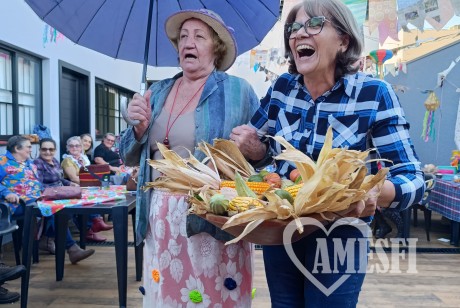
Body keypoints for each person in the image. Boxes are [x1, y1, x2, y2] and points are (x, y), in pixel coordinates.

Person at [230, 0, 425, 306]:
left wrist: (376, 192)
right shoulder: (282, 88)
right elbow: (261, 153)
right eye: (293, 28)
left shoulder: (374, 94)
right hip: (280, 229)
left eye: (314, 25)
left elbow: (413, 178)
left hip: (339, 235)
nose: (298, 34)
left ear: (343, 40)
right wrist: (253, 148)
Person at [120, 9, 259, 306]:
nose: (188, 43)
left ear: (216, 47)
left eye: (198, 36)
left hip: (214, 217)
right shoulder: (156, 92)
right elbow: (128, 155)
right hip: (160, 216)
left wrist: (255, 149)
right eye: (183, 37)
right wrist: (137, 128)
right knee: (168, 296)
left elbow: (264, 153)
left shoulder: (238, 91)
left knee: (213, 295)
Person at [33, 138, 95, 262]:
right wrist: (59, 190)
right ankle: (72, 249)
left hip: (58, 195)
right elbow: (38, 185)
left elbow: (60, 179)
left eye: (51, 149)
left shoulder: (55, 161)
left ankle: (48, 239)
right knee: (57, 212)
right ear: (39, 150)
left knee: (82, 200)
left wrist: (70, 184)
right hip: (47, 197)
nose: (48, 152)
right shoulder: (38, 164)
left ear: (55, 150)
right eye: (44, 149)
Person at [0, 135, 34, 304]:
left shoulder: (27, 162)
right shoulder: (3, 161)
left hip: (32, 198)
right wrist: (6, 193)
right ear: (17, 149)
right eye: (28, 146)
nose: (30, 149)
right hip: (15, 203)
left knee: (56, 207)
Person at [61, 136, 112, 242]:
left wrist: (93, 181)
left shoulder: (83, 158)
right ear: (68, 148)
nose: (74, 148)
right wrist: (93, 182)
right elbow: (74, 178)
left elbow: (89, 173)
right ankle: (90, 228)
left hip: (85, 185)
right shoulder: (67, 160)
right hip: (72, 186)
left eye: (77, 145)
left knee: (101, 191)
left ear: (81, 148)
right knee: (88, 194)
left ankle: (96, 222)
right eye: (71, 146)